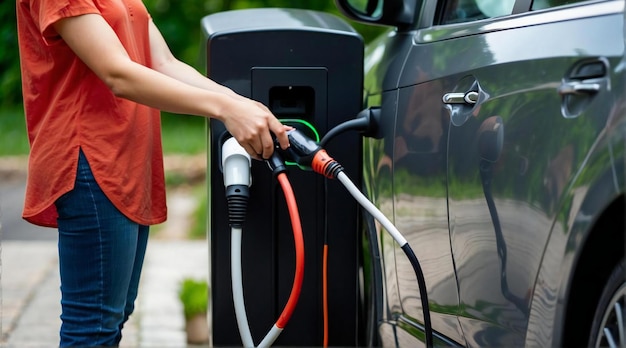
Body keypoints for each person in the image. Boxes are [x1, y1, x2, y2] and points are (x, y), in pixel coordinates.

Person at [16, 0, 290, 346]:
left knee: (113, 317)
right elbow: (118, 73)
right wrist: (226, 109)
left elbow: (161, 63)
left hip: (126, 159)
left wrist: (245, 107)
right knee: (93, 327)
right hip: (89, 160)